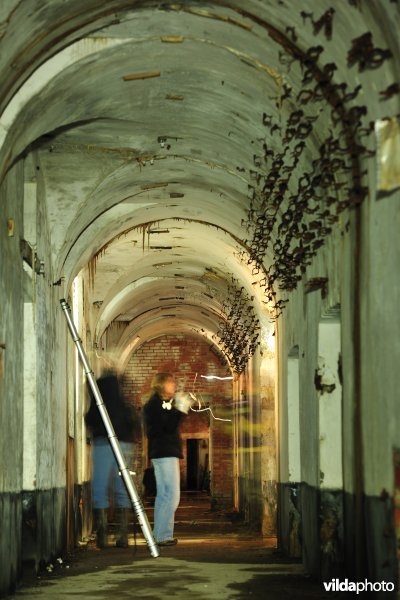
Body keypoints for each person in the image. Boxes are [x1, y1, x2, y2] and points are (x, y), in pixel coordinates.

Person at [85, 369, 139, 548]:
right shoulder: (123, 406)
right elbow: (134, 425)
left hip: (102, 446)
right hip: (124, 446)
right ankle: (122, 536)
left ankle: (102, 536)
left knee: (99, 488)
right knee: (122, 488)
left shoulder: (98, 404)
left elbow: (90, 420)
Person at [143, 373, 190, 547]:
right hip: (165, 453)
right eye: (171, 382)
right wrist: (180, 409)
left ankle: (161, 535)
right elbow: (167, 427)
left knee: (164, 496)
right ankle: (162, 536)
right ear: (162, 385)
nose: (174, 384)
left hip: (162, 453)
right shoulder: (155, 405)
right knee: (171, 496)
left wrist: (176, 407)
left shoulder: (158, 404)